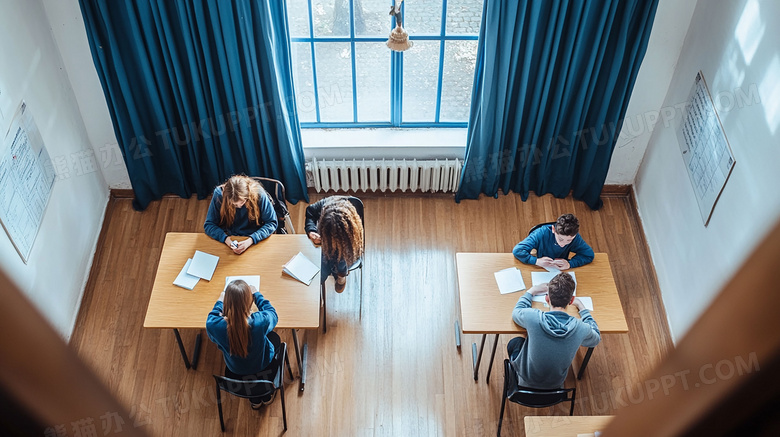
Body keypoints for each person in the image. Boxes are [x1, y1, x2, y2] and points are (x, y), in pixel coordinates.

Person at [508, 273, 601, 389]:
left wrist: (531, 291)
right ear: (571, 300)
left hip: (524, 381)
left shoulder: (533, 317)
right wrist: (582, 308)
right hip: (556, 385)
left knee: (515, 343)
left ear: (547, 298)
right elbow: (595, 339)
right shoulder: (581, 328)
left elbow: (517, 312)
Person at [206, 279, 279, 408]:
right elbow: (272, 314)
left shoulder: (215, 326)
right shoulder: (260, 322)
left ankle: (254, 400)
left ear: (226, 303)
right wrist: (257, 295)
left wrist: (219, 301)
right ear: (249, 302)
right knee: (275, 339)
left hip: (236, 373)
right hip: (265, 368)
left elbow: (211, 318)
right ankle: (266, 396)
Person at [204, 175, 278, 254]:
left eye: (242, 202)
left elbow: (271, 223)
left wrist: (251, 240)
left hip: (255, 237)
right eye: (234, 205)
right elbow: (209, 225)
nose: (239, 207)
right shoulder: (219, 195)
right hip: (230, 237)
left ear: (248, 196)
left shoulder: (259, 194)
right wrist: (225, 239)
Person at [305, 196, 363, 293]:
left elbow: (345, 260)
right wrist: (311, 230)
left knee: (340, 262)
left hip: (346, 253)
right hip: (325, 249)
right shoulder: (325, 206)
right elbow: (310, 212)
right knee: (317, 278)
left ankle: (341, 277)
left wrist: (341, 274)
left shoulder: (349, 234)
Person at [512, 213, 594, 270]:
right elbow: (518, 250)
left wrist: (570, 264)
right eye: (561, 239)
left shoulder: (576, 238)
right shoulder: (541, 233)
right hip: (540, 265)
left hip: (560, 267)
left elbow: (589, 255)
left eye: (569, 240)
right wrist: (536, 261)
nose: (563, 244)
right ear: (553, 230)